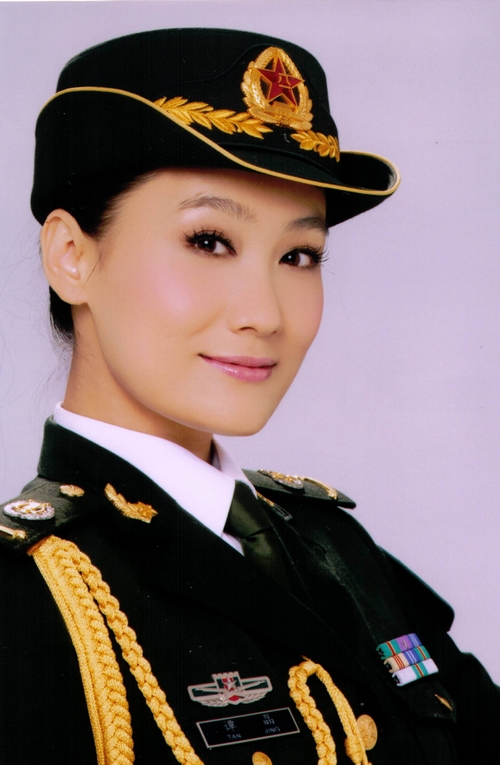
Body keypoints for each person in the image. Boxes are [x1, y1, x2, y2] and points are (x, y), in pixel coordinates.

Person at [0, 27, 497, 765]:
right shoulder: (25, 600)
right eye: (209, 241)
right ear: (71, 256)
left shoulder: (338, 551)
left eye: (299, 255)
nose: (265, 313)